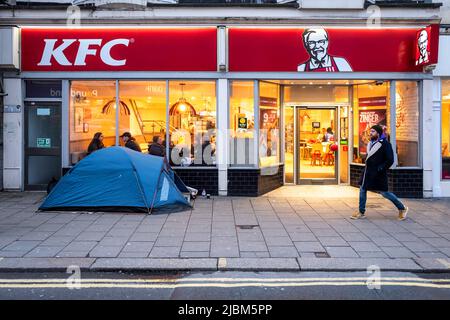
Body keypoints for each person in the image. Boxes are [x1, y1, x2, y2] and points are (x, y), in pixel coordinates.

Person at [352, 125, 408, 221]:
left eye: (373, 131)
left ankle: (402, 208)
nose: (370, 133)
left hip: (378, 173)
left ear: (378, 133)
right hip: (367, 172)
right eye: (370, 131)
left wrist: (381, 168)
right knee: (362, 189)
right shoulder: (370, 143)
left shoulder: (386, 144)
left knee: (384, 193)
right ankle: (361, 212)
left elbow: (390, 160)